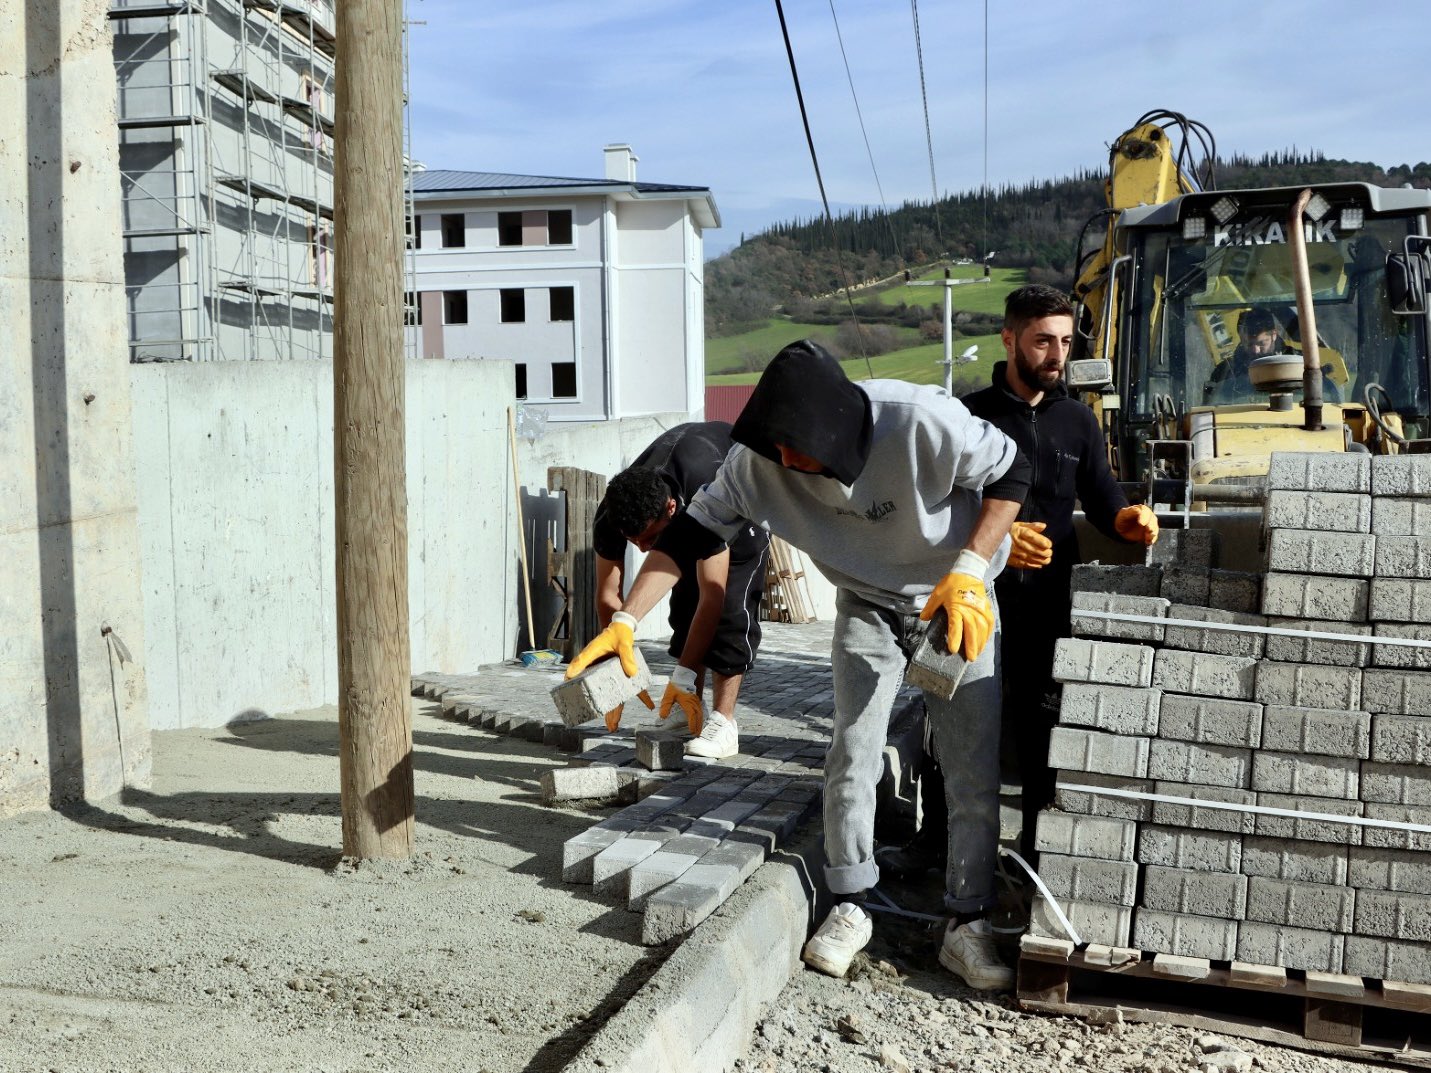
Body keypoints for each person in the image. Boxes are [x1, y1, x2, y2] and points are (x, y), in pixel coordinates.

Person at [566, 340, 1032, 990]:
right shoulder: (755, 464)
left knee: (969, 765)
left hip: (953, 599)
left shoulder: (919, 418)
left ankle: (965, 921)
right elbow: (690, 538)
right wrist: (625, 620)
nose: (786, 463)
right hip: (867, 601)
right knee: (851, 752)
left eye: (799, 451)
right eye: (777, 449)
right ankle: (850, 904)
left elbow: (1013, 472)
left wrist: (970, 566)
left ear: (839, 427)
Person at [964, 284, 1158, 866]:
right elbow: (939, 507)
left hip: (1051, 602)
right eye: (1043, 341)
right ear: (1009, 339)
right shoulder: (970, 414)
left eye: (1066, 343)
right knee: (958, 723)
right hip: (975, 597)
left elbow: (1101, 499)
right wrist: (995, 541)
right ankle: (942, 845)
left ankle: (1031, 852)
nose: (1057, 355)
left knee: (1043, 727)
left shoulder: (1077, 421)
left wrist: (1128, 517)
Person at [591, 421, 770, 759]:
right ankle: (685, 713)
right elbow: (607, 596)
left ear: (671, 509)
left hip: (742, 508)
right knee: (682, 609)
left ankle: (723, 722)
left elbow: (712, 598)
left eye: (649, 538)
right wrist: (616, 673)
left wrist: (683, 676)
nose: (643, 550)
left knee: (732, 612)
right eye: (633, 542)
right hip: (686, 488)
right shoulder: (613, 513)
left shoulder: (710, 489)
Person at [1204, 306, 1283, 402]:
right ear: (1241, 338)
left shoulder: (1297, 363)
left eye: (1261, 344)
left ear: (1274, 335)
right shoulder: (1224, 372)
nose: (1255, 350)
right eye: (1249, 344)